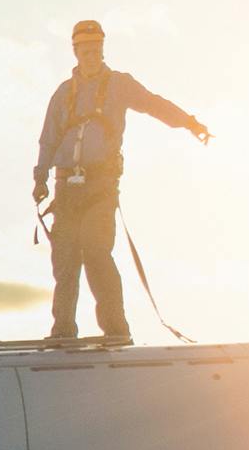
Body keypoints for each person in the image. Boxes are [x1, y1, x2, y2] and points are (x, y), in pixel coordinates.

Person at [32, 18, 209, 348]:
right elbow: (48, 139)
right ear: (75, 51)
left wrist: (188, 123)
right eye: (85, 49)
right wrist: (40, 177)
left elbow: (154, 104)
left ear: (102, 48)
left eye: (96, 48)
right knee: (66, 259)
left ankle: (115, 328)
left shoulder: (119, 85)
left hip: (101, 185)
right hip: (66, 187)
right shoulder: (63, 95)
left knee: (97, 251)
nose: (91, 55)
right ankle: (63, 330)